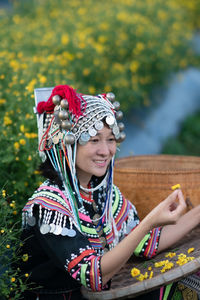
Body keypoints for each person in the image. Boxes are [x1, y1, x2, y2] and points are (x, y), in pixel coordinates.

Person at [20, 84, 200, 300]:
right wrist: (149, 221)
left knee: (191, 282)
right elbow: (94, 277)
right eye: (94, 140)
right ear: (67, 145)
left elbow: (148, 244)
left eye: (111, 139)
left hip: (104, 294)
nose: (106, 151)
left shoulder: (104, 194)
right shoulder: (49, 206)